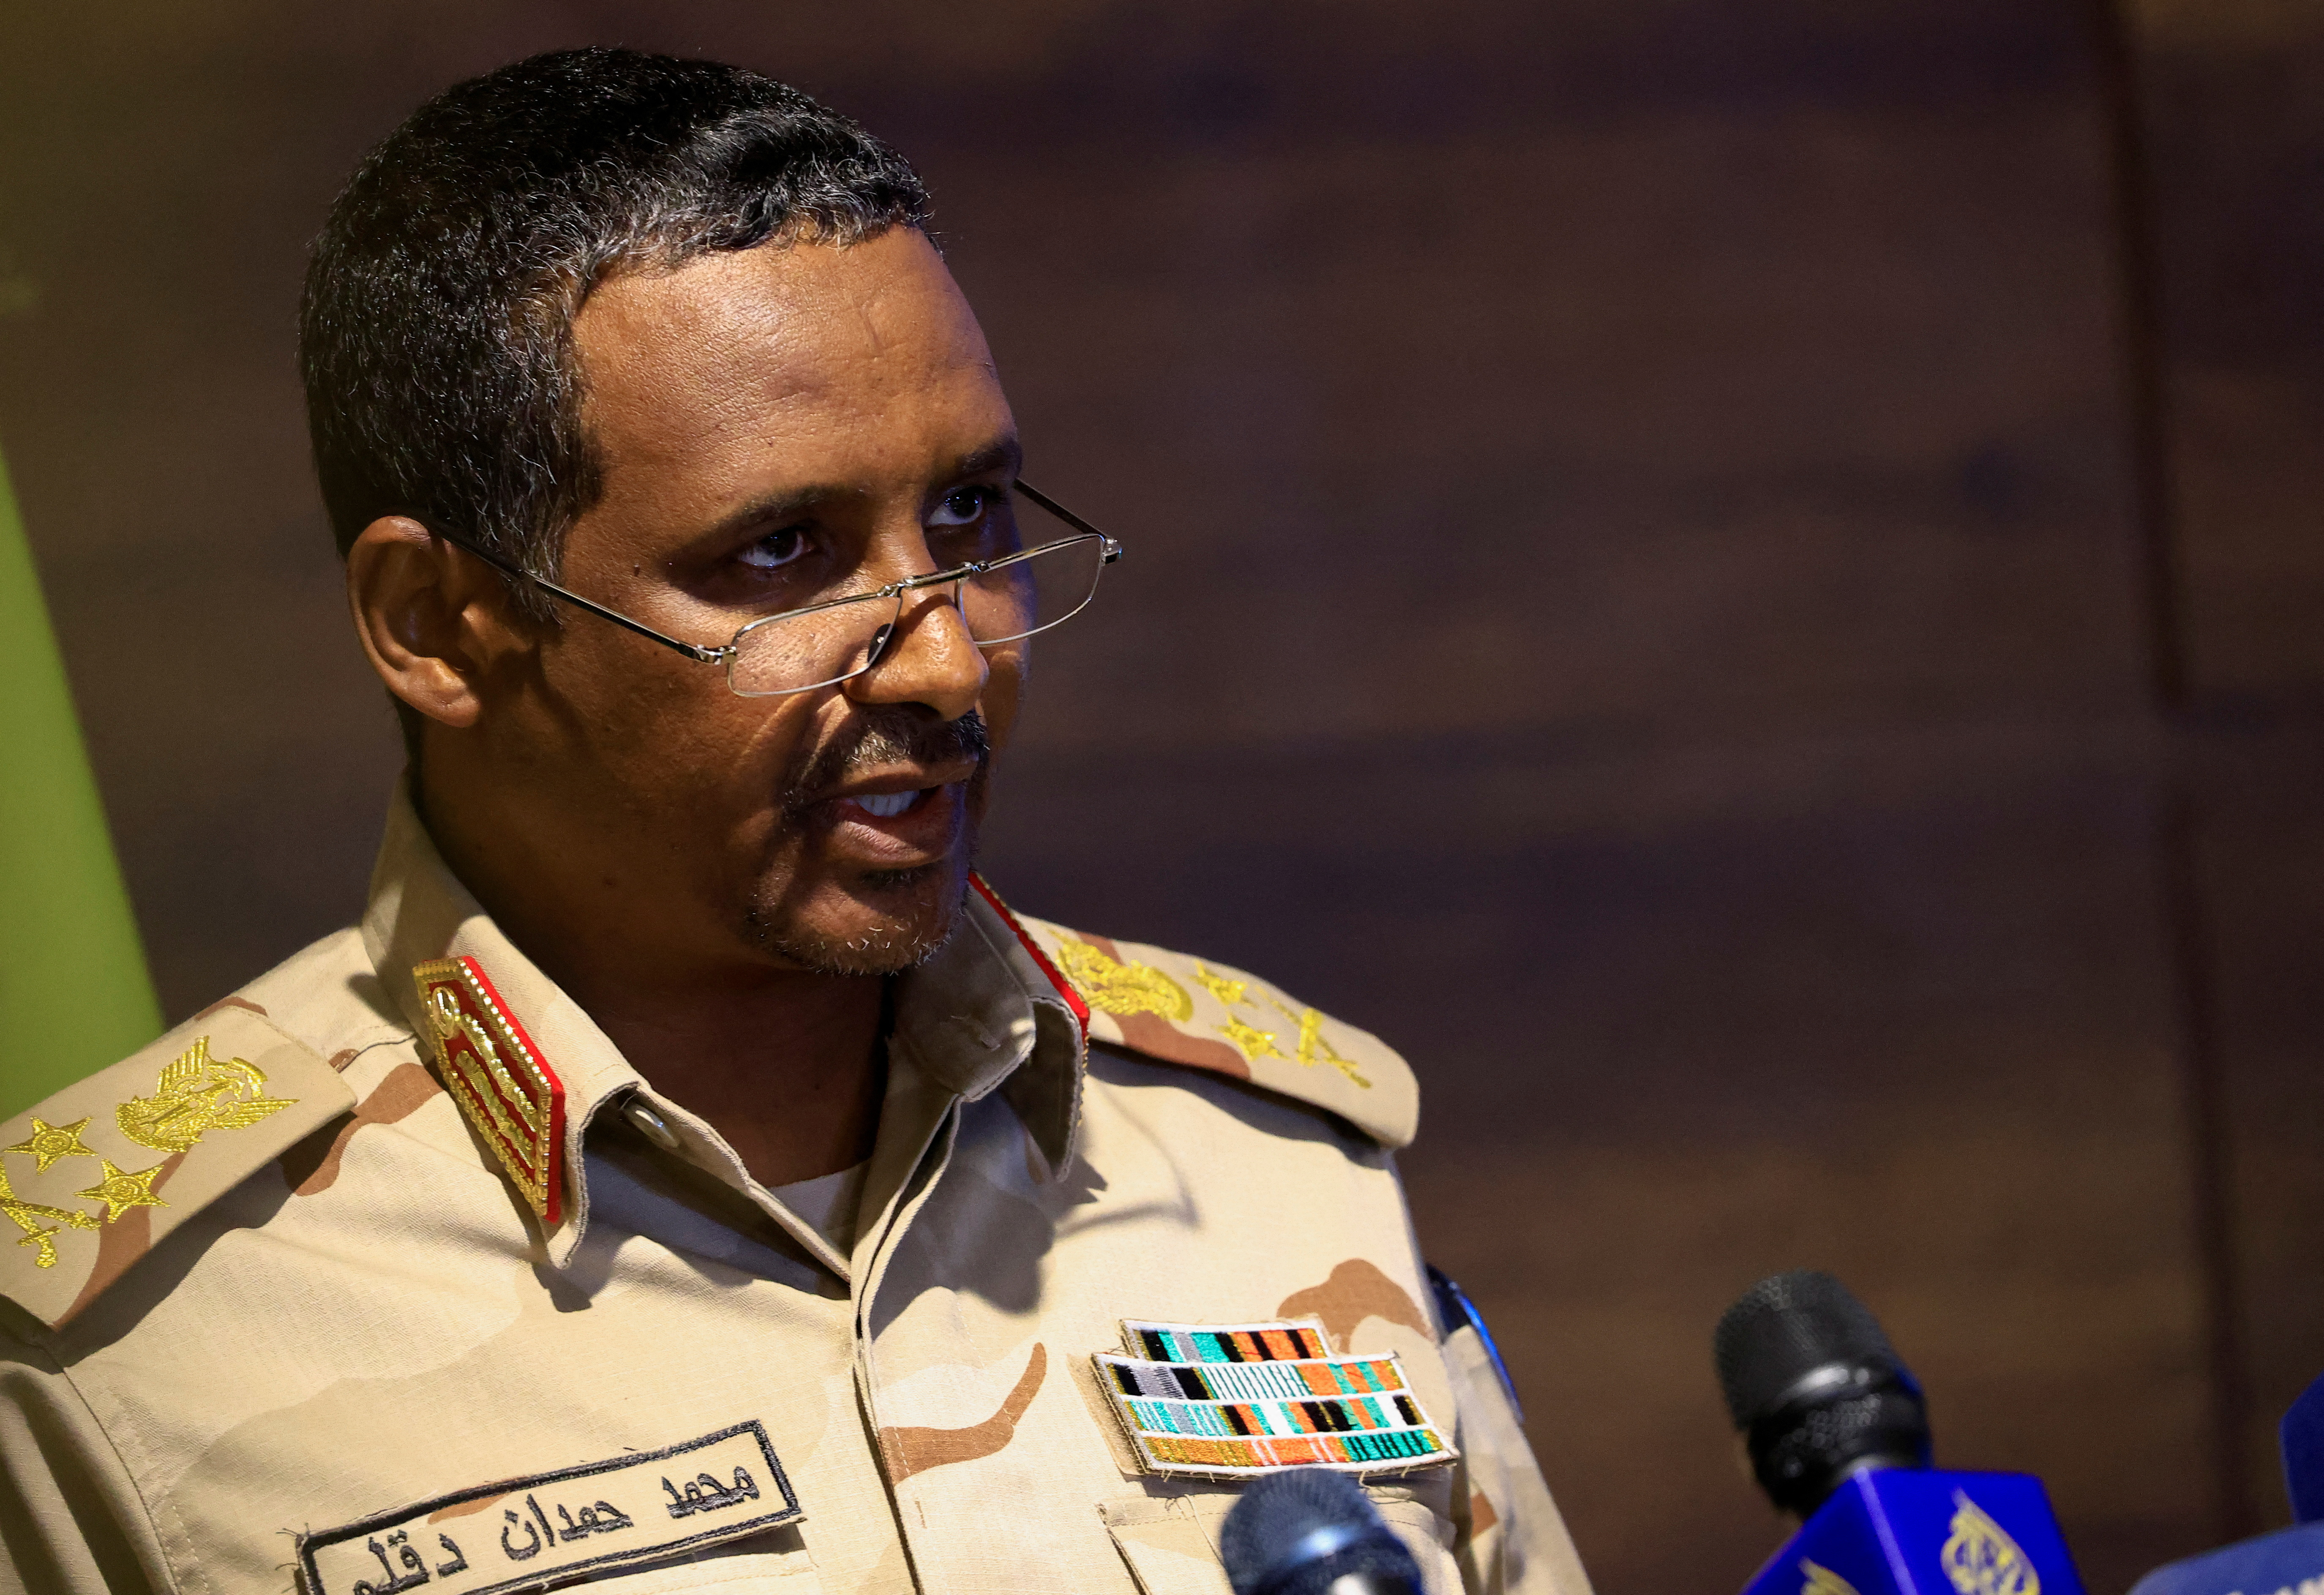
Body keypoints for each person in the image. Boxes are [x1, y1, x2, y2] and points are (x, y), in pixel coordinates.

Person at [0, 48, 1590, 1595]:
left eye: (968, 511)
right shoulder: (116, 1346)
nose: (952, 657)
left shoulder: (1265, 1159)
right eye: (780, 552)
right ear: (437, 622)